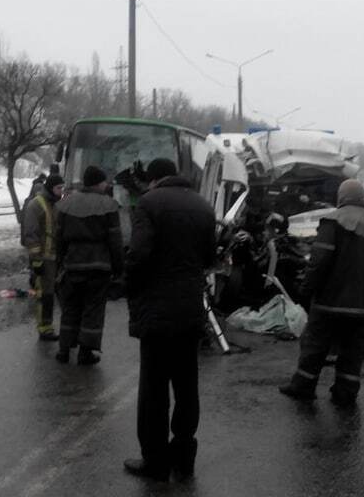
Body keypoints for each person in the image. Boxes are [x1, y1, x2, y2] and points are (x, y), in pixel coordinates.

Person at [124, 158, 216, 483]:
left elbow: (138, 254)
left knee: (154, 390)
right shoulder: (203, 206)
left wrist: (130, 287)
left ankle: (155, 461)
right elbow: (209, 257)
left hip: (157, 311)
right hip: (190, 309)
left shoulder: (148, 204)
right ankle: (184, 456)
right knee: (186, 385)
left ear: (153, 179)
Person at [278, 178, 364, 407]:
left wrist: (305, 290)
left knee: (315, 345)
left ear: (341, 196)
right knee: (352, 351)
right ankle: (346, 392)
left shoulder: (332, 222)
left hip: (330, 302)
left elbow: (319, 262)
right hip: (361, 306)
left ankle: (303, 387)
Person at [54, 166, 123, 365]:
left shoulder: (66, 204)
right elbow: (115, 242)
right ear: (98, 183)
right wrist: (119, 270)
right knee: (92, 310)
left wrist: (60, 263)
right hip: (98, 267)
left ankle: (64, 350)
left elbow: (59, 239)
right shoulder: (108, 205)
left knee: (71, 307)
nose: (106, 185)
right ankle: (85, 352)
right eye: (104, 182)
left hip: (72, 264)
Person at [22, 174, 64, 341]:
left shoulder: (55, 204)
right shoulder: (36, 205)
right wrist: (36, 260)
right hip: (44, 259)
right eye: (59, 188)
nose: (61, 191)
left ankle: (49, 325)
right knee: (45, 295)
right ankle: (45, 328)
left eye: (62, 188)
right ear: (50, 188)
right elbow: (30, 235)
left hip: (55, 258)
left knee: (52, 293)